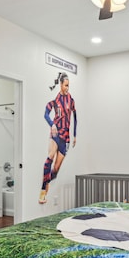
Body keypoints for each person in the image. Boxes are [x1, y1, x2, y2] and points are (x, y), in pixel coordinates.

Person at [39, 73, 77, 204]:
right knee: (50, 156)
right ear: (60, 85)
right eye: (66, 85)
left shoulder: (71, 101)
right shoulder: (55, 102)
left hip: (65, 138)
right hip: (56, 134)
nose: (67, 88)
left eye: (68, 86)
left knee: (55, 170)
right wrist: (52, 124)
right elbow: (46, 114)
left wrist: (75, 135)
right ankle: (43, 191)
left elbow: (75, 118)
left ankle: (47, 180)